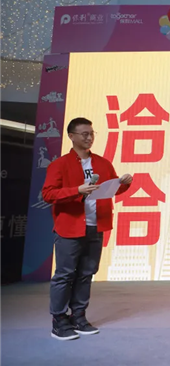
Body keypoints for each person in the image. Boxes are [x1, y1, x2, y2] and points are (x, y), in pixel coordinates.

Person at [42, 117, 132, 341]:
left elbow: (112, 189)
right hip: (69, 227)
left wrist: (124, 183)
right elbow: (48, 194)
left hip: (95, 225)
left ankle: (79, 316)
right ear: (71, 136)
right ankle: (59, 320)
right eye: (84, 134)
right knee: (64, 274)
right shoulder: (60, 164)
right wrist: (77, 190)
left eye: (91, 133)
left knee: (86, 274)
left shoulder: (102, 163)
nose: (89, 137)